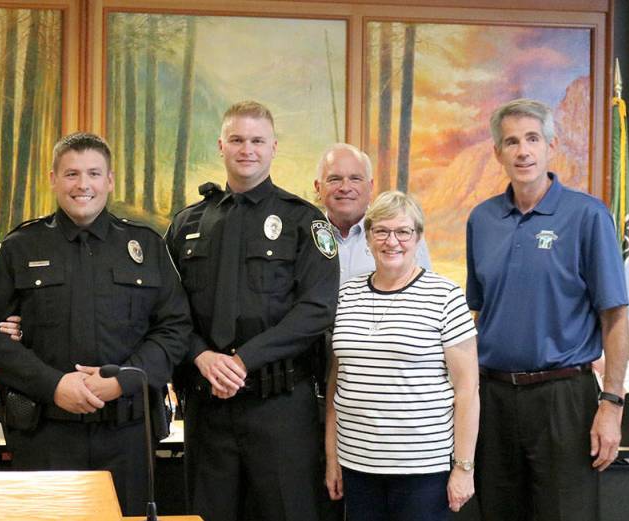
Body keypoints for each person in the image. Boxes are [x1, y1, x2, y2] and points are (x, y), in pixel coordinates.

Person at [0, 132, 191, 515]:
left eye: (93, 173)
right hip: (45, 433)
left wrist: (121, 381)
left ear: (109, 180)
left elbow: (174, 329)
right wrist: (54, 385)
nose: (83, 185)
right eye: (71, 173)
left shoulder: (147, 246)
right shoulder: (20, 248)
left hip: (126, 435)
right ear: (53, 178)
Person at [165, 101, 339, 521]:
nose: (248, 149)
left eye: (257, 140)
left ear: (274, 147)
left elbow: (316, 309)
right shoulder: (187, 224)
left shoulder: (304, 221)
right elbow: (167, 310)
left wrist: (244, 360)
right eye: (238, 140)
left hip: (279, 405)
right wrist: (201, 356)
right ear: (221, 145)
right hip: (208, 405)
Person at [466, 98, 629, 520]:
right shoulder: (481, 221)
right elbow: (476, 315)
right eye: (512, 142)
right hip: (495, 398)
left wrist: (611, 404)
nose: (523, 151)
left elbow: (614, 316)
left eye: (533, 139)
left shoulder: (587, 216)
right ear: (497, 153)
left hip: (564, 399)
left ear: (550, 145)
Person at [324, 191, 478, 520]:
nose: (391, 241)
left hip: (422, 471)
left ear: (418, 237)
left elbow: (467, 391)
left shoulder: (445, 296)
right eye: (381, 231)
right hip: (357, 465)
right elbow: (337, 382)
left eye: (403, 232)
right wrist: (332, 456)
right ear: (368, 237)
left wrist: (464, 467)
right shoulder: (347, 295)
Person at [314, 143, 431, 284]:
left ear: (370, 187)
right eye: (335, 179)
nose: (345, 187)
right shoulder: (304, 236)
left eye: (355, 179)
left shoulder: (403, 236)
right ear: (318, 187)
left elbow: (424, 291)